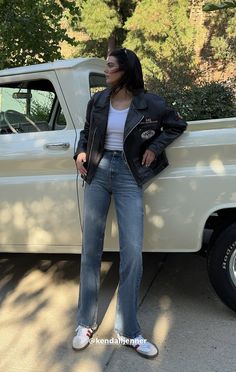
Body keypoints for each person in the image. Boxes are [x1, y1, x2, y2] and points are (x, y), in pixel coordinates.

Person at [72, 48, 187, 358]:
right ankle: (85, 322)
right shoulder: (97, 101)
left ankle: (129, 331)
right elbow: (86, 134)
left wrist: (155, 147)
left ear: (125, 70)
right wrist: (80, 153)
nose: (105, 71)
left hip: (128, 173)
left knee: (132, 251)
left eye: (110, 66)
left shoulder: (150, 103)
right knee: (90, 249)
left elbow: (177, 125)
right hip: (97, 172)